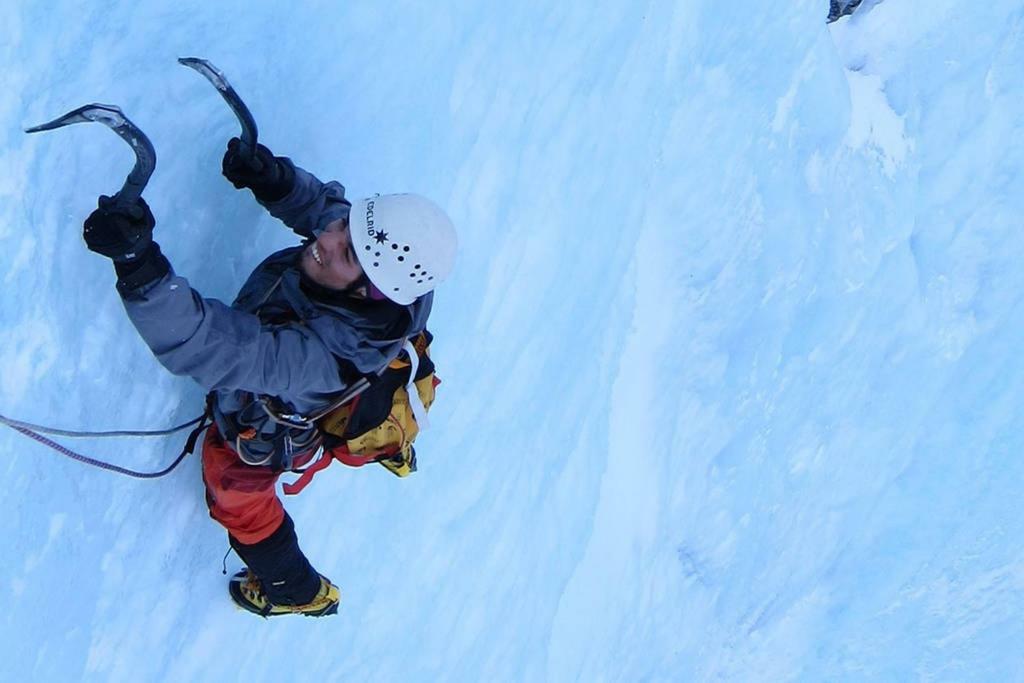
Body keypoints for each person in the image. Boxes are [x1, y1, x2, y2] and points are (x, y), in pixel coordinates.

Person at [81, 138, 457, 617]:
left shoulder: (317, 360)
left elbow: (212, 345)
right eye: (344, 230)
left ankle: (295, 591)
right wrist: (275, 180)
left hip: (276, 425)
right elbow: (326, 209)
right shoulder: (391, 273)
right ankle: (386, 443)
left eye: (344, 254)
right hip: (362, 376)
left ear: (371, 291)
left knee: (238, 498)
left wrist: (139, 265)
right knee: (371, 401)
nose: (326, 238)